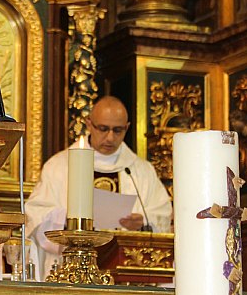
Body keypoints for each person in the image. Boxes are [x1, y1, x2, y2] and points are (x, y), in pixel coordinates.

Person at [25, 96, 172, 280]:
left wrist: (143, 222)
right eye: (103, 129)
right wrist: (69, 219)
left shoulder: (141, 171)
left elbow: (163, 216)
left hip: (125, 272)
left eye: (117, 130)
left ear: (127, 127)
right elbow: (36, 215)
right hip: (70, 271)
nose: (110, 137)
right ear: (89, 124)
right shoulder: (59, 166)